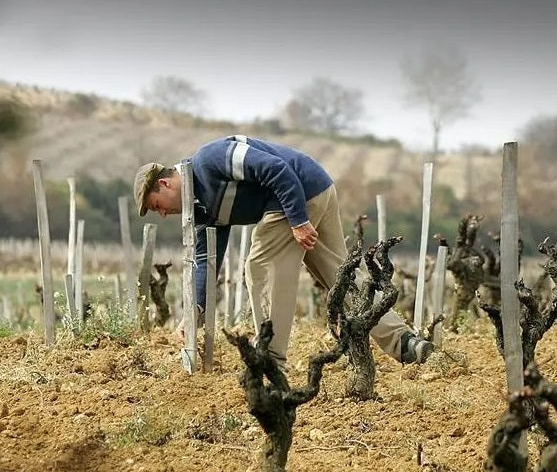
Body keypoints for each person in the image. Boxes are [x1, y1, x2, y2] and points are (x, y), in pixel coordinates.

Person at [133, 135, 433, 365]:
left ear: (164, 183)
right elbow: (205, 260)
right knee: (341, 276)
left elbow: (275, 168)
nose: (162, 214)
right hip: (319, 187)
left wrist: (299, 220)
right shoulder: (200, 209)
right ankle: (405, 343)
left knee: (259, 268)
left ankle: (270, 360)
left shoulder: (210, 159)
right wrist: (194, 311)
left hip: (297, 194)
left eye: (157, 206)